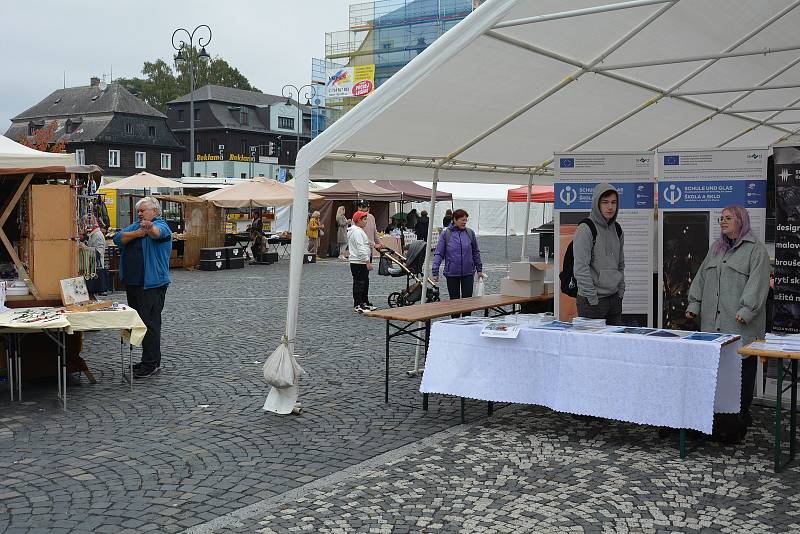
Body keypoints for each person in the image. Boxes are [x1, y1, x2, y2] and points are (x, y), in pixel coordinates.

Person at [686, 205, 770, 439]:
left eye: (728, 218)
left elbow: (759, 284)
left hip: (740, 326)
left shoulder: (756, 251)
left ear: (741, 221)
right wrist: (694, 304)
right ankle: (717, 417)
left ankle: (738, 419)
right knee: (718, 373)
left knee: (742, 372)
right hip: (713, 327)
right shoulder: (716, 249)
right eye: (721, 219)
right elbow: (701, 277)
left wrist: (747, 309)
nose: (723, 222)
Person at [112, 197, 172, 378]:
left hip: (152, 285)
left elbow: (157, 233)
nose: (139, 213)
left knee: (150, 324)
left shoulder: (162, 225)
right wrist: (138, 233)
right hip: (134, 283)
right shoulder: (135, 227)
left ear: (155, 211)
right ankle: (148, 360)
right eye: (138, 211)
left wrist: (149, 228)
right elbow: (118, 238)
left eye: (143, 210)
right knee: (140, 323)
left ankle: (151, 363)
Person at [572, 183, 625, 326]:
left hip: (614, 299)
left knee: (615, 345)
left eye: (613, 202)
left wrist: (620, 291)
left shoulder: (617, 229)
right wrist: (592, 297)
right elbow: (580, 268)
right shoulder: (586, 228)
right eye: (605, 202)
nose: (610, 207)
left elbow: (620, 264)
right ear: (597, 203)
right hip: (592, 302)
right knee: (591, 347)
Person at [432, 209, 484, 307]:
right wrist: (435, 271)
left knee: (468, 302)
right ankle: (455, 320)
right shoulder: (446, 234)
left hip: (468, 272)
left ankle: (467, 320)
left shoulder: (470, 233)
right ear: (454, 220)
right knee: (454, 302)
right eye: (462, 220)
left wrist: (479, 269)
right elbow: (439, 253)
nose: (464, 222)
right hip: (452, 273)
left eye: (466, 220)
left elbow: (475, 252)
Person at [348, 211, 375, 313]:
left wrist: (373, 244)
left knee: (364, 282)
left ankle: (363, 302)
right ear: (358, 220)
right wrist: (367, 261)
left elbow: (365, 243)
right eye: (364, 219)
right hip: (358, 262)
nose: (366, 221)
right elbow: (360, 247)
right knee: (359, 283)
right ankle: (358, 304)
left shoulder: (359, 231)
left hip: (360, 261)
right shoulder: (357, 232)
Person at [87, 219, 108, 296]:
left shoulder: (97, 235)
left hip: (97, 258)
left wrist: (86, 248)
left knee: (99, 273)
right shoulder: (95, 234)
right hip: (96, 258)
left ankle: (101, 289)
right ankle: (100, 289)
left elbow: (97, 249)